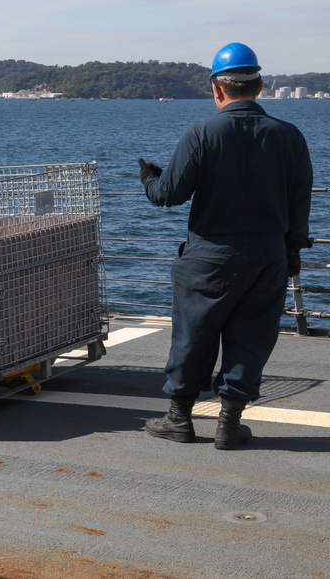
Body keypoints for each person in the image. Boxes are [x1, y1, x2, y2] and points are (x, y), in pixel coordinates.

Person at [138, 42, 313, 450]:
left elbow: (168, 194)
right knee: (252, 338)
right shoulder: (290, 137)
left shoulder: (202, 133)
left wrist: (148, 178)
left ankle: (179, 420)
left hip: (210, 256)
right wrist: (292, 252)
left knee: (194, 334)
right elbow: (299, 201)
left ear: (217, 89)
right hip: (269, 256)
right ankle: (229, 425)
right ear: (261, 86)